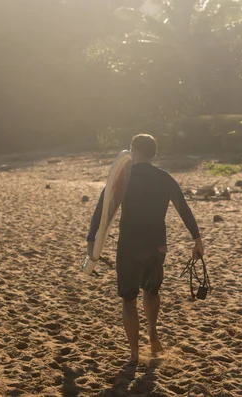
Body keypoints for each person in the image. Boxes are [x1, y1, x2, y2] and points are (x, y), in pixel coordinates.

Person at [86, 134, 204, 363]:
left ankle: (134, 353)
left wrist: (92, 239)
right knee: (152, 292)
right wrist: (197, 239)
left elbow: (103, 209)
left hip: (129, 245)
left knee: (128, 299)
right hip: (157, 245)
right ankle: (153, 335)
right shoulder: (164, 178)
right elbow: (184, 208)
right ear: (154, 153)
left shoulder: (123, 178)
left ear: (132, 151)